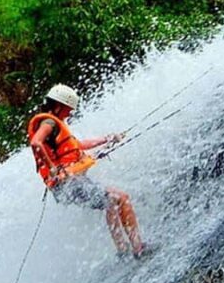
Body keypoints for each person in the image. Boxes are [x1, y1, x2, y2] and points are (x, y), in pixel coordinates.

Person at [28, 84, 148, 258]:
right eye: (68, 109)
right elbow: (36, 143)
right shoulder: (49, 122)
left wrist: (107, 139)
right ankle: (138, 248)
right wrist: (53, 168)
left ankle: (123, 251)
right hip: (68, 184)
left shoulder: (56, 125)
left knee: (111, 204)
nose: (69, 113)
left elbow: (79, 145)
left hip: (69, 185)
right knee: (121, 198)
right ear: (60, 105)